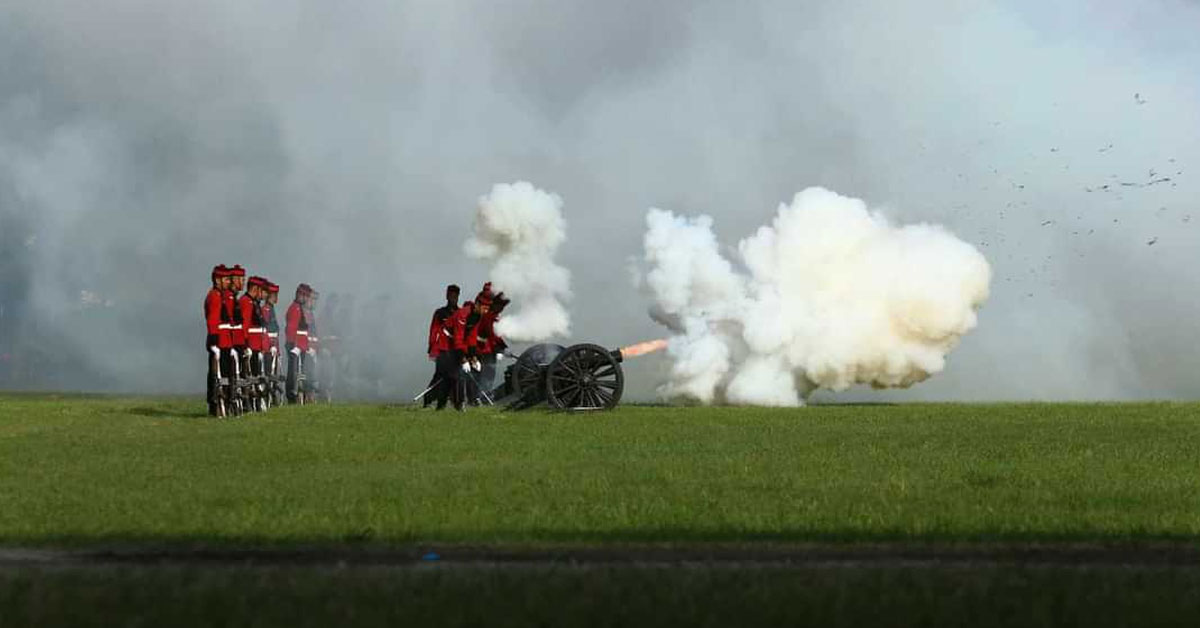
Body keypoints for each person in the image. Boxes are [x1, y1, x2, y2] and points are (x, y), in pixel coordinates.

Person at [422, 284, 459, 408]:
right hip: (443, 350)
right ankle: (428, 399)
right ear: (447, 296)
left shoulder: (460, 313)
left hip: (455, 351)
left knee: (454, 378)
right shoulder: (440, 313)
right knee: (439, 377)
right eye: (451, 295)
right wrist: (432, 350)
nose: (453, 298)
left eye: (456, 296)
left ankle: (451, 402)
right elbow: (434, 331)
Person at [203, 265, 233, 416]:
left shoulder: (221, 295)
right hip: (218, 342)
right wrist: (214, 343)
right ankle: (215, 405)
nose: (229, 282)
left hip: (225, 341)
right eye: (226, 279)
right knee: (216, 375)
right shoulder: (214, 296)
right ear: (218, 280)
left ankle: (225, 403)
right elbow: (213, 320)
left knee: (226, 374)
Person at [472, 283, 509, 397]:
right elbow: (492, 334)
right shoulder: (489, 314)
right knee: (487, 373)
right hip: (485, 348)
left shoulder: (486, 311)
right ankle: (482, 396)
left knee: (483, 373)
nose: (502, 308)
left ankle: (479, 395)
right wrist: (502, 348)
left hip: (484, 347)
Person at [241, 277, 268, 411]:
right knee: (249, 376)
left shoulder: (254, 303)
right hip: (251, 345)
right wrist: (246, 345)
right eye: (260, 290)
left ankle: (255, 401)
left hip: (257, 345)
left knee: (256, 376)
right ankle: (248, 403)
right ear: (255, 289)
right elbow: (245, 325)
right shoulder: (246, 302)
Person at [285, 283, 313, 404]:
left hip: (301, 345)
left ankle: (302, 392)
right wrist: (293, 345)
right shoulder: (295, 308)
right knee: (294, 373)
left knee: (301, 372)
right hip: (296, 346)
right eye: (306, 296)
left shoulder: (300, 308)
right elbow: (291, 328)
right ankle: (293, 394)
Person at [262, 282, 282, 405]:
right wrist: (270, 345)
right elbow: (266, 329)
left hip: (274, 342)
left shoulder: (271, 309)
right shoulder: (266, 309)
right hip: (269, 343)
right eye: (274, 295)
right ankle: (268, 395)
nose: (276, 298)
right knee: (269, 370)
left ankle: (273, 394)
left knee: (275, 371)